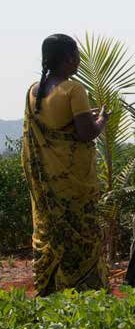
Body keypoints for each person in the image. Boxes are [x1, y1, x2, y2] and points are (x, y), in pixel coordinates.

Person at [21, 34, 109, 296]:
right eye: (77, 56)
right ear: (70, 58)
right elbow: (85, 133)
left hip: (47, 187)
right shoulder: (73, 89)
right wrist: (102, 119)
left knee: (50, 233)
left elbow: (59, 125)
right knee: (81, 236)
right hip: (74, 187)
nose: (79, 61)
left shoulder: (33, 91)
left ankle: (49, 289)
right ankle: (82, 290)